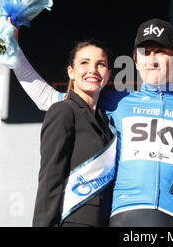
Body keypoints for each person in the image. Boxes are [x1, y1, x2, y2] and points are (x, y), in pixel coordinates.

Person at [11, 18, 173, 227]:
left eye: (160, 51)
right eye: (146, 52)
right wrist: (13, 50)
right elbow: (47, 98)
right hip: (124, 215)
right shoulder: (115, 102)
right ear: (135, 60)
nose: (152, 60)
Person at [33, 40, 115, 227]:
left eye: (100, 64)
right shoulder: (63, 111)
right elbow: (50, 177)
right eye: (84, 63)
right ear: (71, 72)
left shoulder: (107, 122)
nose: (93, 70)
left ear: (108, 75)